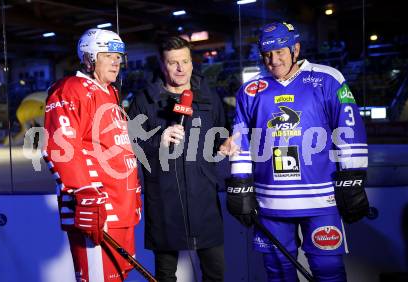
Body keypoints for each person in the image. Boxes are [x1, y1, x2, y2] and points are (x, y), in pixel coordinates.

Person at [220, 21, 369, 281]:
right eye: (267, 55)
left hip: (321, 199)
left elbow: (349, 129)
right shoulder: (251, 89)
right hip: (271, 202)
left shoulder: (328, 79)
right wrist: (240, 182)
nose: (273, 60)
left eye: (279, 52)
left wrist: (352, 179)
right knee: (278, 272)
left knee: (328, 271)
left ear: (295, 49)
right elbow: (240, 139)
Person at [43, 28, 142, 281]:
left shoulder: (110, 92)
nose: (116, 62)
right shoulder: (71, 89)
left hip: (121, 208)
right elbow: (60, 148)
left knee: (119, 275)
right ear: (89, 57)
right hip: (97, 211)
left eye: (119, 57)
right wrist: (85, 194)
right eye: (109, 55)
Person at [128, 36, 225, 282]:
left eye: (185, 61)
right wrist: (158, 140)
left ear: (192, 62)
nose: (181, 68)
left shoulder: (209, 97)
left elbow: (221, 134)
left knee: (216, 273)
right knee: (165, 274)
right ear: (162, 65)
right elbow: (129, 147)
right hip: (163, 200)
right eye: (173, 63)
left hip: (204, 200)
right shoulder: (143, 101)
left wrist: (226, 142)